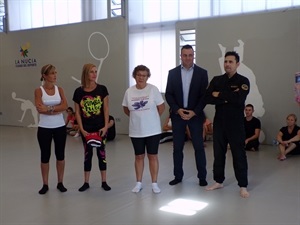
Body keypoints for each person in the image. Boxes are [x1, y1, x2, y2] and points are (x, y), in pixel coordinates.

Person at [205, 51, 250, 198]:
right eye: (226, 61)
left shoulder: (243, 81)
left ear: (237, 64)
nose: (227, 64)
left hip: (236, 123)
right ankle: (218, 181)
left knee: (238, 154)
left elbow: (239, 100)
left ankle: (243, 185)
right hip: (219, 122)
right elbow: (208, 97)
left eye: (231, 62)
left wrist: (219, 95)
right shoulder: (217, 80)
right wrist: (227, 96)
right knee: (218, 153)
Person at [165, 44, 208, 187]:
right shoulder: (173, 73)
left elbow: (204, 96)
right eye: (185, 55)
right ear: (180, 56)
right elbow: (169, 94)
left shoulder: (202, 73)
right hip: (178, 115)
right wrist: (177, 110)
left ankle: (202, 177)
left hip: (195, 116)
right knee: (177, 148)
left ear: (193, 55)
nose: (188, 58)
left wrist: (194, 111)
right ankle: (178, 176)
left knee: (199, 147)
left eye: (190, 55)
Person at [122, 65, 165, 193]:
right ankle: (138, 182)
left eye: (144, 75)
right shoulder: (129, 91)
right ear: (134, 76)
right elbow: (126, 109)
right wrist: (137, 117)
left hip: (152, 130)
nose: (141, 77)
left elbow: (161, 107)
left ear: (147, 77)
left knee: (152, 156)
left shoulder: (153, 90)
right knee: (139, 156)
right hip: (136, 131)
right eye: (139, 75)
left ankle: (154, 183)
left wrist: (150, 119)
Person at [73, 63, 111, 192]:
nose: (94, 74)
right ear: (86, 74)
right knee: (87, 155)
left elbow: (106, 109)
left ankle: (104, 181)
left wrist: (106, 126)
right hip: (86, 129)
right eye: (91, 72)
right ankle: (86, 182)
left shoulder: (102, 89)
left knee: (102, 154)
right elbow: (77, 112)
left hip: (100, 128)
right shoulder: (78, 92)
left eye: (95, 71)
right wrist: (81, 129)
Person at [34, 64, 68, 195]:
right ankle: (45, 184)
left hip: (59, 127)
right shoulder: (38, 91)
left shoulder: (60, 89)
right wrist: (55, 108)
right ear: (44, 76)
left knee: (60, 156)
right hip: (44, 128)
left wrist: (49, 109)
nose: (55, 75)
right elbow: (39, 108)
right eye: (52, 73)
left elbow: (65, 106)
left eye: (56, 72)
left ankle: (60, 182)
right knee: (45, 156)